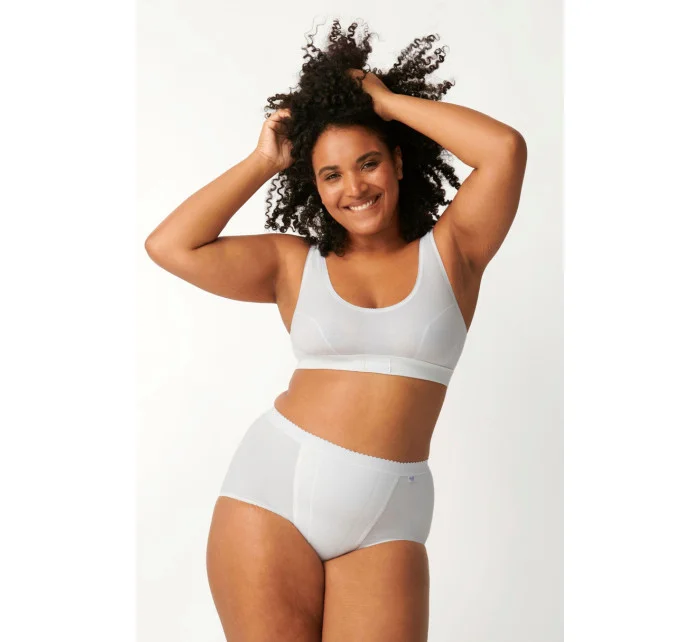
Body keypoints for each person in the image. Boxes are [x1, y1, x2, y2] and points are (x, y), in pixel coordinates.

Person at [145, 18, 527, 642]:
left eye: (368, 162)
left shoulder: (454, 251)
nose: (355, 187)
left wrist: (386, 103)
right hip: (274, 492)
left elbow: (504, 149)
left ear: (397, 161)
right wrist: (264, 160)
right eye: (331, 174)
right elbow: (170, 246)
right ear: (314, 185)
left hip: (389, 518)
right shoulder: (293, 264)